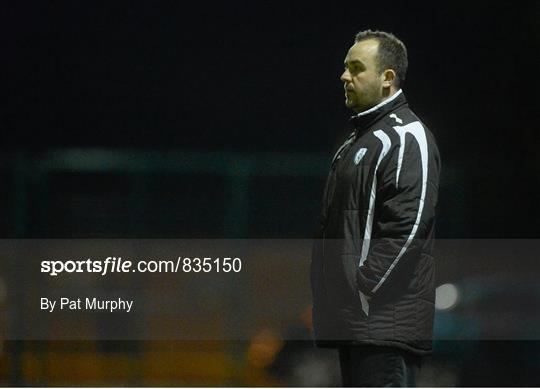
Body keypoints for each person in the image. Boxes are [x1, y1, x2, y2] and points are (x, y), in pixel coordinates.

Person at [310, 30, 440, 387]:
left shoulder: (407, 136)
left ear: (387, 78)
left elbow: (407, 229)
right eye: (345, 67)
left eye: (356, 68)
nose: (344, 76)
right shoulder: (355, 144)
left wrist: (363, 292)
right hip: (357, 325)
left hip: (382, 326)